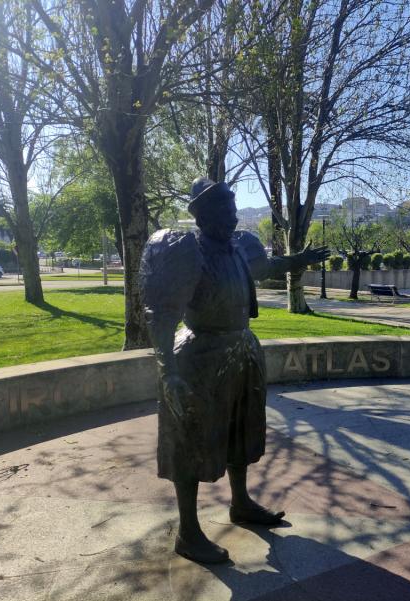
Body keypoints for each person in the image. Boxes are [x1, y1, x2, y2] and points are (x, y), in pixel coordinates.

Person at [139, 177, 327, 563]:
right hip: (200, 355)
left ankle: (240, 503)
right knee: (189, 441)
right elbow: (161, 317)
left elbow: (266, 267)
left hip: (242, 349)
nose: (234, 214)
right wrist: (168, 371)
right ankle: (188, 531)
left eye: (232, 207)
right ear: (204, 214)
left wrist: (299, 261)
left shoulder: (238, 247)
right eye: (225, 209)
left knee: (242, 430)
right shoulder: (186, 250)